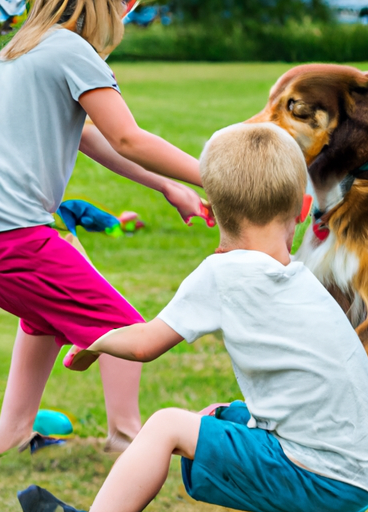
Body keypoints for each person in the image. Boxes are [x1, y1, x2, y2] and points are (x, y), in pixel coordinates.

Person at [25, 122, 368, 512]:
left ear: (212, 211)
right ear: (302, 208)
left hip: (319, 476)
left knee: (166, 426)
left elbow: (145, 344)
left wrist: (95, 343)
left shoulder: (223, 274)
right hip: (357, 472)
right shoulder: (301, 279)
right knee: (220, 416)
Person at [0, 0, 214, 454]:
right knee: (127, 329)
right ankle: (125, 435)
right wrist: (219, 177)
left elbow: (88, 135)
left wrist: (166, 186)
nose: (126, 15)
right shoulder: (72, 51)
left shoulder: (21, 49)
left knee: (40, 320)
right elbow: (127, 137)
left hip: (12, 235)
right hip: (17, 238)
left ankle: (13, 434)